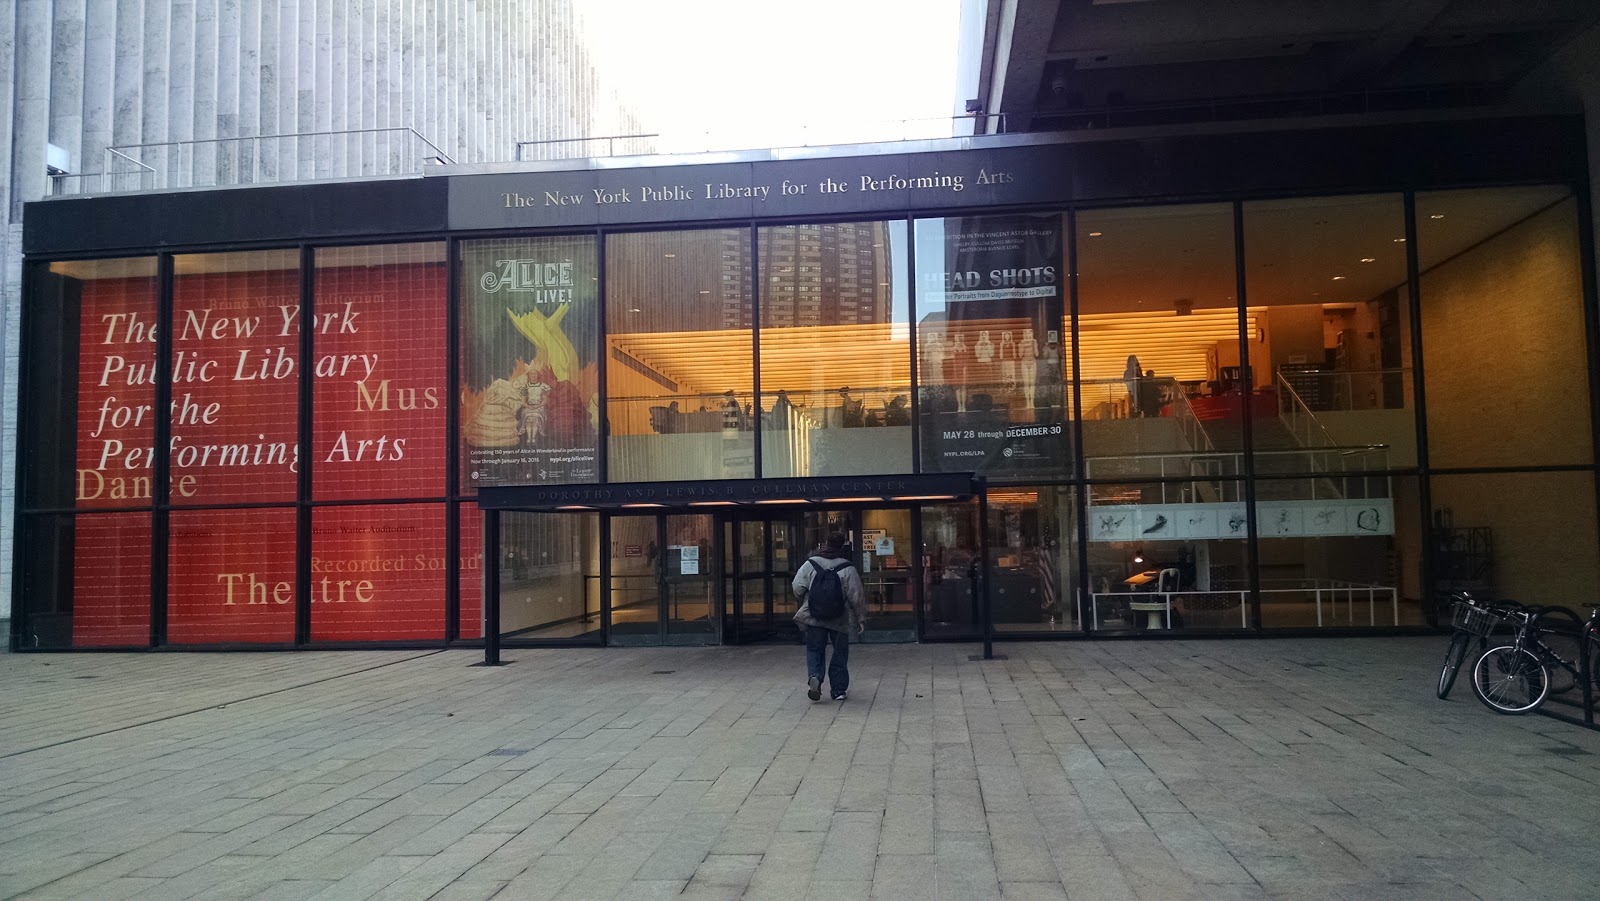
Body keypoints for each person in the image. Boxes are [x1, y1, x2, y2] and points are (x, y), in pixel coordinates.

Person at [793, 532, 866, 701]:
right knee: (840, 652)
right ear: (842, 547)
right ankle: (838, 690)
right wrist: (860, 617)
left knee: (815, 649)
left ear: (825, 544)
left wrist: (806, 598)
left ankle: (815, 677)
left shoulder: (811, 564)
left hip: (814, 616)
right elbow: (857, 595)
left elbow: (797, 586)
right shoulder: (848, 568)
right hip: (840, 618)